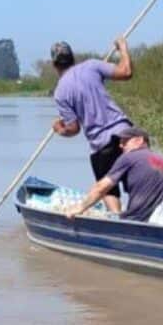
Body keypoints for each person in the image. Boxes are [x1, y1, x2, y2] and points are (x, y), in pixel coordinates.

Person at [50, 38, 134, 213]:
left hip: (102, 145)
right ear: (73, 58)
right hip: (127, 134)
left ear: (54, 65)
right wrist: (123, 49)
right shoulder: (92, 66)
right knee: (137, 181)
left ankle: (116, 221)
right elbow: (126, 72)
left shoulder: (61, 92)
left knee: (107, 189)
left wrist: (60, 130)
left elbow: (73, 129)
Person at [66, 126, 163, 222]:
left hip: (137, 221)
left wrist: (81, 207)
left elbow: (102, 187)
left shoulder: (128, 157)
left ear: (139, 140)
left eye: (124, 141)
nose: (120, 145)